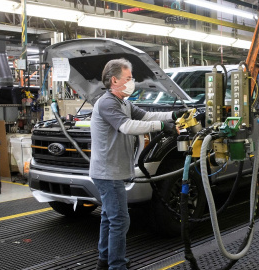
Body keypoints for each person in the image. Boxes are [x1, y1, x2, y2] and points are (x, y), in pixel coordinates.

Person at [90, 58, 187, 270]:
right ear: (114, 80)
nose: (132, 82)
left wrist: (174, 115)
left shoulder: (123, 102)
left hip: (112, 171)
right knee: (120, 220)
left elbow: (145, 115)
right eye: (129, 78)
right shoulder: (107, 103)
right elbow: (127, 126)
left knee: (109, 217)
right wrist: (161, 126)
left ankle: (104, 261)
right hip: (108, 172)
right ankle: (117, 266)